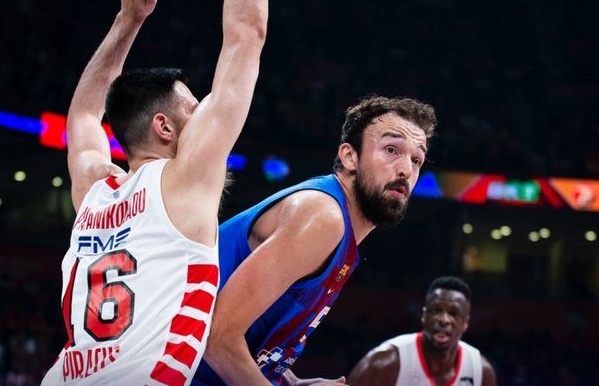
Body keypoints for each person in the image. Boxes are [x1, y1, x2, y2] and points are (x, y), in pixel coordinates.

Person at [41, 0, 267, 384]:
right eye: (193, 106)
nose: (204, 110)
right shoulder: (185, 177)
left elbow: (84, 113)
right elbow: (245, 36)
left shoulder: (95, 191)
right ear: (165, 128)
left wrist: (127, 22)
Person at [193, 96, 437, 385]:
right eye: (391, 150)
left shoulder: (341, 230)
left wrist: (295, 383)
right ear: (350, 157)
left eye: (416, 160)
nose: (406, 170)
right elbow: (218, 338)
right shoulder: (323, 217)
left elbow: (257, 339)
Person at [347, 276, 497, 386]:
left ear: (465, 323)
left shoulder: (480, 371)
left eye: (453, 313)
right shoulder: (384, 363)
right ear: (424, 316)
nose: (444, 319)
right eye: (436, 311)